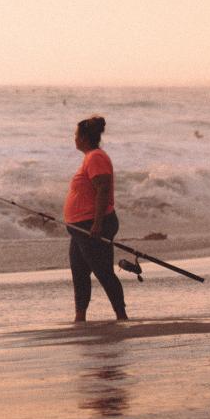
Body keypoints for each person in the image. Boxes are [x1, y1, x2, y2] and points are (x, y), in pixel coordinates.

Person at [64, 115, 128, 322]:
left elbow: (103, 189)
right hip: (79, 228)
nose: (74, 139)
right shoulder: (90, 157)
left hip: (92, 224)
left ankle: (121, 315)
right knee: (79, 273)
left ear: (84, 137)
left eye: (76, 135)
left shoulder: (96, 158)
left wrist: (98, 223)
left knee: (103, 272)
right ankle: (79, 318)